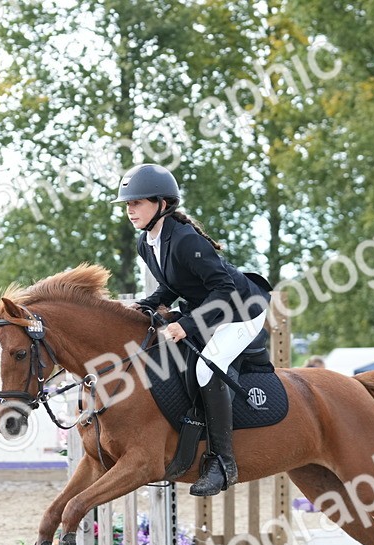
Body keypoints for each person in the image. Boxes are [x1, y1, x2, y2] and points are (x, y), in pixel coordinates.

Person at [116, 163, 272, 497]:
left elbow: (225, 289)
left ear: (162, 204)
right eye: (128, 204)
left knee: (206, 367)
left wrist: (186, 325)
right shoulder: (146, 242)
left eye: (137, 202)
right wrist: (145, 304)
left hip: (243, 311)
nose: (130, 210)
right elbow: (173, 284)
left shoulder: (186, 240)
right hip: (211, 308)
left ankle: (223, 463)